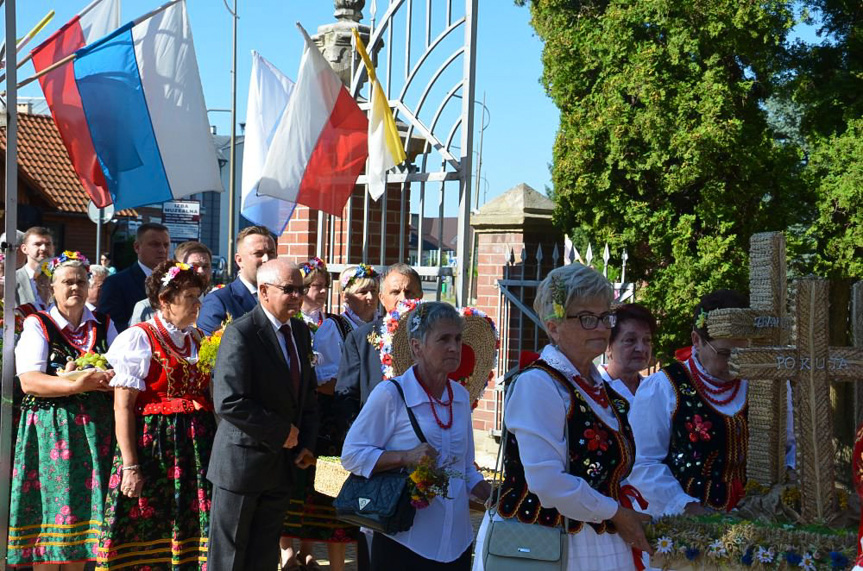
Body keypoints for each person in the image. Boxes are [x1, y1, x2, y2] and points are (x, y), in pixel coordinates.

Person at [473, 264, 653, 571]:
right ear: (554, 326)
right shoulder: (539, 384)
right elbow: (547, 481)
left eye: (605, 316)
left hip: (600, 538)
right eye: (586, 318)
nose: (601, 327)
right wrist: (617, 512)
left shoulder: (602, 391)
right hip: (544, 543)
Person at [342, 302, 491, 570]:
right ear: (416, 347)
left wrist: (489, 493)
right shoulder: (390, 395)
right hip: (404, 539)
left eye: (457, 339)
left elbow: (465, 467)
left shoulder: (459, 396)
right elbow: (352, 455)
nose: (454, 347)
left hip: (456, 541)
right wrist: (405, 457)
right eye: (443, 339)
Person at [98, 261, 215, 569]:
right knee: (149, 529)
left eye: (198, 295)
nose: (197, 304)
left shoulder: (200, 339)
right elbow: (122, 406)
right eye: (189, 296)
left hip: (195, 451)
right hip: (156, 451)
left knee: (193, 530)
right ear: (165, 300)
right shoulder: (139, 338)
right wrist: (131, 465)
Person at [7, 251, 117, 570]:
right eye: (67, 282)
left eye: (81, 281)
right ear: (51, 288)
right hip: (52, 432)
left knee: (83, 531)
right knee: (51, 527)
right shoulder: (38, 323)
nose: (75, 288)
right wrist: (74, 384)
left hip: (95, 431)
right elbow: (29, 381)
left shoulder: (104, 323)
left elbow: (121, 372)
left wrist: (104, 378)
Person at [207, 259, 319, 571]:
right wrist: (281, 431)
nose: (297, 296)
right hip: (241, 466)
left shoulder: (299, 331)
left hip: (281, 466)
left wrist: (306, 443)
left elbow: (306, 393)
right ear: (264, 291)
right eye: (289, 289)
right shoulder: (241, 333)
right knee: (229, 558)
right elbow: (229, 400)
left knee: (264, 556)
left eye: (301, 289)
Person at [281, 264, 379, 571]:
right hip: (337, 423)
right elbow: (321, 381)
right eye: (362, 290)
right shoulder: (333, 327)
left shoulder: (382, 329)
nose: (370, 297)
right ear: (346, 295)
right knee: (327, 498)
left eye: (374, 290)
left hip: (368, 419)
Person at [628, 289, 750, 517]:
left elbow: (788, 449)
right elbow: (643, 464)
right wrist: (686, 506)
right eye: (724, 353)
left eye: (743, 354)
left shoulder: (762, 385)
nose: (735, 364)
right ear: (697, 340)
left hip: (758, 521)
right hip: (686, 523)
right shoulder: (664, 387)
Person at [334, 263, 424, 424]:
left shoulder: (436, 335)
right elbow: (347, 395)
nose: (403, 299)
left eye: (409, 292)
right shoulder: (361, 338)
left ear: (420, 295)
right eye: (395, 292)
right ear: (382, 298)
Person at [198, 225, 276, 335]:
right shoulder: (218, 301)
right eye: (258, 254)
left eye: (271, 253)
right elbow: (212, 348)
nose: (266, 259)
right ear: (239, 260)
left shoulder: (282, 296)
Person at [98, 223, 170, 332]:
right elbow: (109, 327)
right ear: (137, 247)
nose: (162, 250)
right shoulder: (116, 283)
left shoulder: (175, 281)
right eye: (155, 244)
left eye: (166, 245)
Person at [129, 241, 213, 326]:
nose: (201, 272)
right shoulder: (147, 308)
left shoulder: (216, 304)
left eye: (205, 266)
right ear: (177, 268)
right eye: (194, 266)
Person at [598, 303, 656, 404]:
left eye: (647, 340)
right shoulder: (593, 390)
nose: (641, 348)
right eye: (630, 340)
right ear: (608, 346)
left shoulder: (656, 390)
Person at [15, 226, 54, 309]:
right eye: (37, 244)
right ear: (24, 249)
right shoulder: (12, 281)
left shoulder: (61, 278)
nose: (43, 248)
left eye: (48, 244)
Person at [298, 257, 330, 332]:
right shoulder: (291, 320)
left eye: (326, 286)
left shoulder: (331, 321)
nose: (324, 291)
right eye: (318, 285)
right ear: (304, 287)